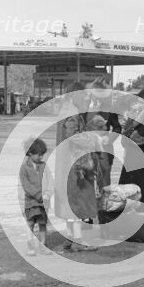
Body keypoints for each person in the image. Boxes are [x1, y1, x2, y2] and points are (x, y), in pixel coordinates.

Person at [54, 82, 101, 252]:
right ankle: (78, 241)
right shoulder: (72, 111)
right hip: (74, 164)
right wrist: (92, 140)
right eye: (83, 95)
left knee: (68, 201)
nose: (86, 98)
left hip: (63, 161)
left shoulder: (64, 109)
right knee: (76, 200)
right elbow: (72, 135)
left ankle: (70, 238)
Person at [19, 137, 53, 256]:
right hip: (31, 201)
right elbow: (26, 186)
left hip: (44, 201)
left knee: (43, 223)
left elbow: (50, 180)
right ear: (30, 153)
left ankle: (43, 246)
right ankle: (30, 245)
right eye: (39, 155)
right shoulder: (24, 168)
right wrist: (39, 196)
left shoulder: (44, 166)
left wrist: (48, 193)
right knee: (30, 223)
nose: (41, 157)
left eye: (42, 154)